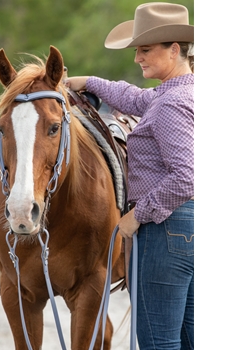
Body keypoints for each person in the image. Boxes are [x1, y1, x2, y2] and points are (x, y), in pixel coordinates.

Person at [65, 2, 194, 349]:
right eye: (137, 50)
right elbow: (135, 98)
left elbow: (185, 177)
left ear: (175, 49)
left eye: (146, 50)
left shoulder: (169, 104)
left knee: (158, 341)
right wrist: (87, 82)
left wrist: (137, 216)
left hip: (165, 230)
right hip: (189, 229)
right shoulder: (182, 93)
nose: (138, 58)